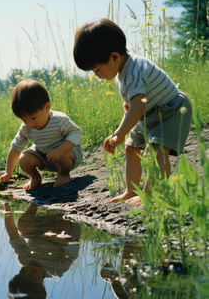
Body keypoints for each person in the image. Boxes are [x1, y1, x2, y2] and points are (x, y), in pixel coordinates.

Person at [73, 18, 192, 205]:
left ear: (114, 57)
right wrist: (122, 130)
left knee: (155, 151)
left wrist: (119, 134)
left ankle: (153, 194)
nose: (97, 76)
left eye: (96, 70)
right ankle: (131, 191)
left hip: (170, 110)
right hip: (147, 113)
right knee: (131, 149)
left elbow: (137, 106)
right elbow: (132, 107)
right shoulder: (121, 73)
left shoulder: (135, 71)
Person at [0, 79, 83, 189]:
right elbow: (15, 148)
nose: (30, 123)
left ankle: (63, 175)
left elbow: (76, 133)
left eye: (33, 117)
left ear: (47, 107)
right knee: (24, 159)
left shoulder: (59, 120)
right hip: (46, 158)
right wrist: (8, 172)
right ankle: (35, 177)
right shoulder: (26, 128)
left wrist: (60, 150)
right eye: (24, 119)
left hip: (68, 156)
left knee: (63, 155)